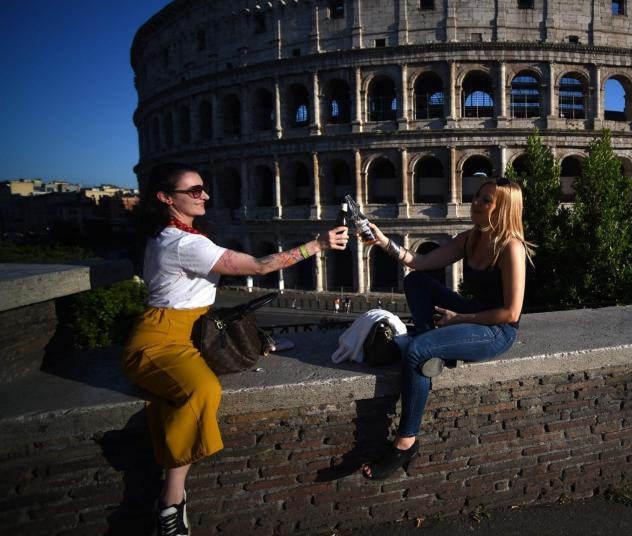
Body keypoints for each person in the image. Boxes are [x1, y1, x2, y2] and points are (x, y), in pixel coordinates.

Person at [122, 163, 348, 536]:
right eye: (193, 191)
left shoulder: (168, 235)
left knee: (240, 354)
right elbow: (259, 266)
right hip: (157, 343)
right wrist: (318, 245)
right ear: (165, 198)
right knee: (202, 390)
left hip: (184, 334)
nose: (205, 195)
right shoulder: (183, 243)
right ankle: (171, 500)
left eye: (203, 189)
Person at [359, 177, 534, 480]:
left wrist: (459, 320)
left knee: (416, 352)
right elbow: (421, 262)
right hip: (470, 314)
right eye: (477, 196)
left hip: (496, 330)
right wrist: (382, 241)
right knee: (415, 282)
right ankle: (435, 347)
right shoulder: (470, 238)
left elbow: (510, 312)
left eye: (486, 200)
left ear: (503, 209)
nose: (475, 202)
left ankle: (405, 443)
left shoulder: (511, 248)